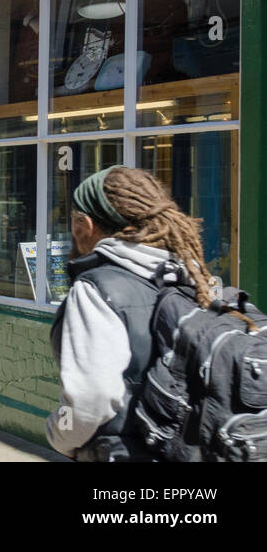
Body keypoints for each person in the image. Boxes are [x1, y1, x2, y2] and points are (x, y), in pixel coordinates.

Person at [47, 165, 214, 461]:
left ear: (84, 224)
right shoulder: (193, 277)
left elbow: (89, 401)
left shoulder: (96, 288)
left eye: (73, 222)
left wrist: (58, 433)